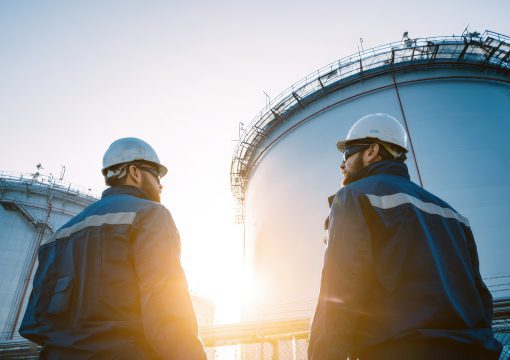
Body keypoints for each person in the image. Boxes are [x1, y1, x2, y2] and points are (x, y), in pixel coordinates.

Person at [308, 114, 502, 360]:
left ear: (372, 151)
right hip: (470, 350)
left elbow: (341, 287)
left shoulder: (354, 197)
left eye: (346, 153)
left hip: (397, 349)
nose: (342, 164)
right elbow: (480, 296)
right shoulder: (453, 215)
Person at [19, 137, 206, 359]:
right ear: (135, 172)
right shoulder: (150, 214)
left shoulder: (58, 236)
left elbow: (34, 321)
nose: (160, 184)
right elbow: (165, 304)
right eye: (156, 175)